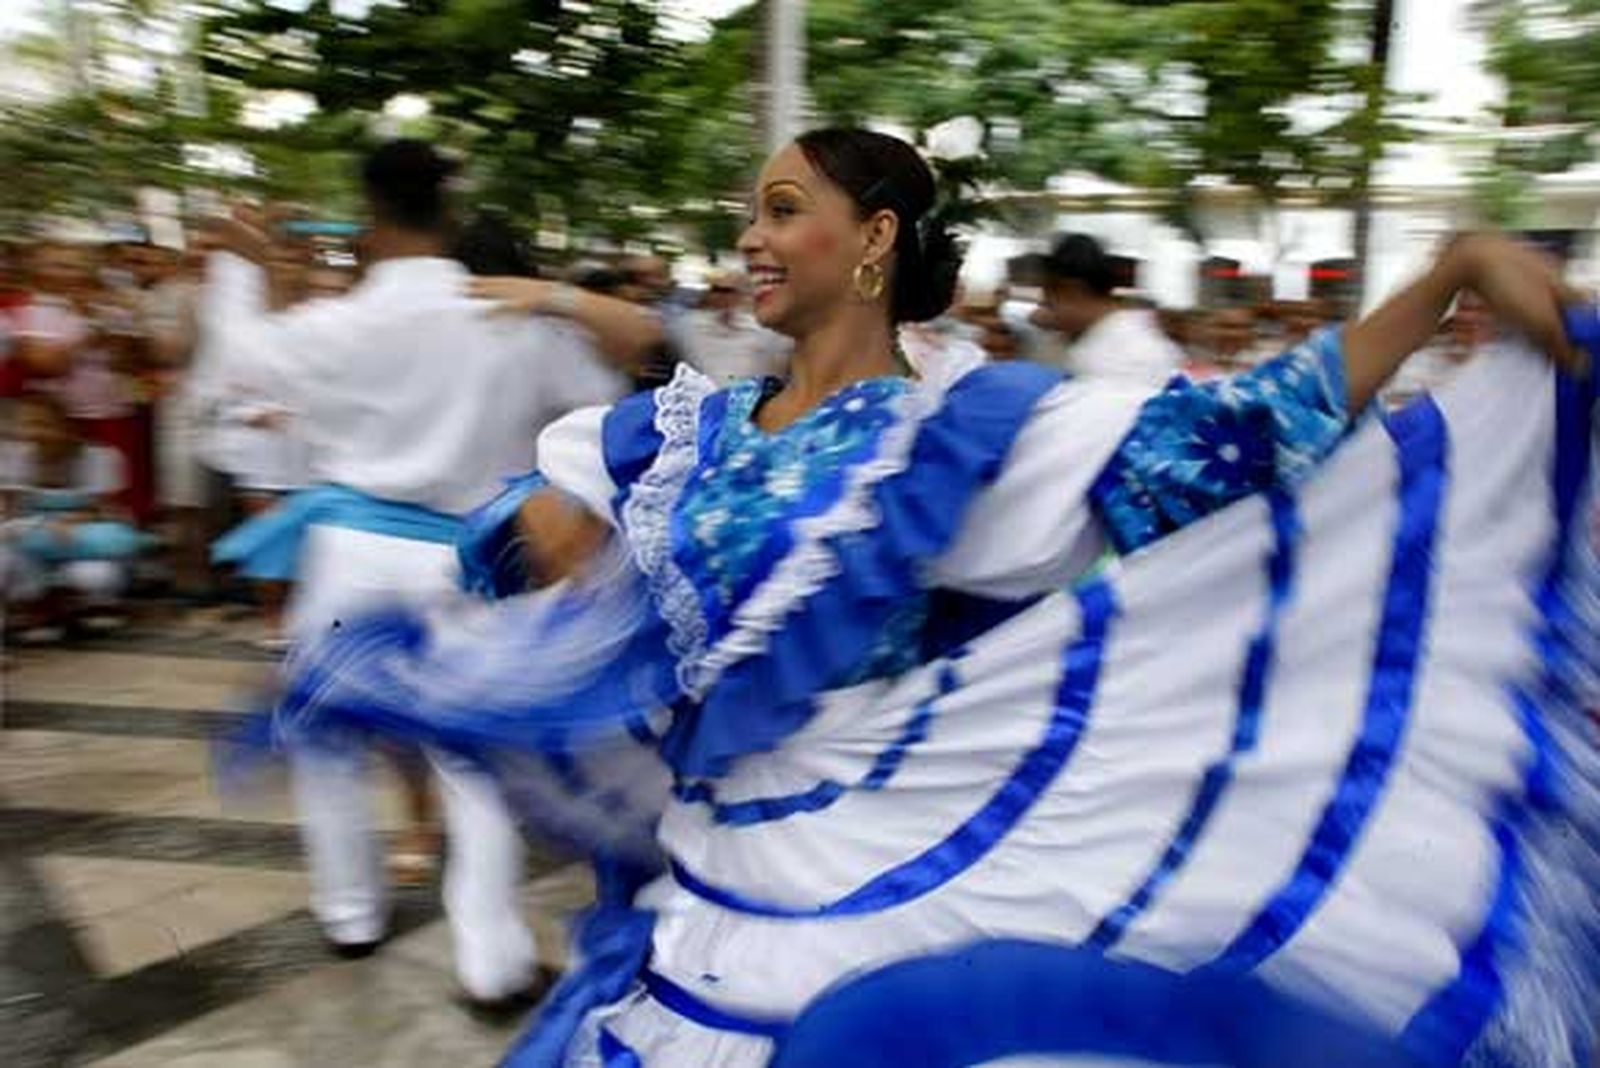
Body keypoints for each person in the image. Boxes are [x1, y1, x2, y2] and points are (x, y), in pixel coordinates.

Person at [257, 129, 1596, 1067]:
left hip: (882, 874)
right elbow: (537, 544)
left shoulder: (966, 432)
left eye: (784, 209)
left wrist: (1446, 277)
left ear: (875, 238)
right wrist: (539, 549)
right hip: (709, 881)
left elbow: (1242, 435)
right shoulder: (679, 434)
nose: (751, 239)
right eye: (753, 213)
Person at [203, 139, 660, 1007]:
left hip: (349, 557)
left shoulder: (338, 322)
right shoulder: (505, 316)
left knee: (326, 740)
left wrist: (236, 265)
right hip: (466, 553)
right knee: (474, 757)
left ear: (370, 216)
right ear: (448, 212)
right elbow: (610, 379)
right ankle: (491, 957)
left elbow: (239, 362)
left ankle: (350, 916)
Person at [1, 391, 148, 639]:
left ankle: (90, 603)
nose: (33, 434)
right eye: (26, 425)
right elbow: (10, 509)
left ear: (64, 425)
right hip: (34, 537)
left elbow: (107, 510)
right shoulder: (15, 456)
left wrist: (72, 521)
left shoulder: (99, 457)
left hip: (84, 539)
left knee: (93, 575)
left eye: (42, 425)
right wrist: (36, 524)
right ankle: (38, 606)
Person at [1033, 233, 1186, 387]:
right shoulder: (1137, 332)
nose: (1050, 316)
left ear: (1072, 291)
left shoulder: (1107, 359)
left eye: (1049, 304)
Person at [673, 270, 791, 387]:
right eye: (716, 290)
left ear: (743, 295)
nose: (720, 296)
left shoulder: (767, 333)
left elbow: (779, 370)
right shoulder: (687, 326)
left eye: (727, 291)